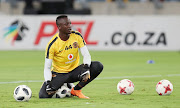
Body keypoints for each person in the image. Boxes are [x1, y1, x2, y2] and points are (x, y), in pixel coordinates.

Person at [39, 15, 103, 99]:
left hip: (75, 72)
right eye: (66, 24)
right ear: (59, 27)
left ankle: (76, 90)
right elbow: (47, 67)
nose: (69, 26)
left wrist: (86, 67)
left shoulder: (77, 36)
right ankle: (61, 84)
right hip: (59, 74)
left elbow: (86, 55)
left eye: (70, 23)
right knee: (43, 95)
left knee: (97, 66)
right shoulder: (52, 44)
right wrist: (48, 83)